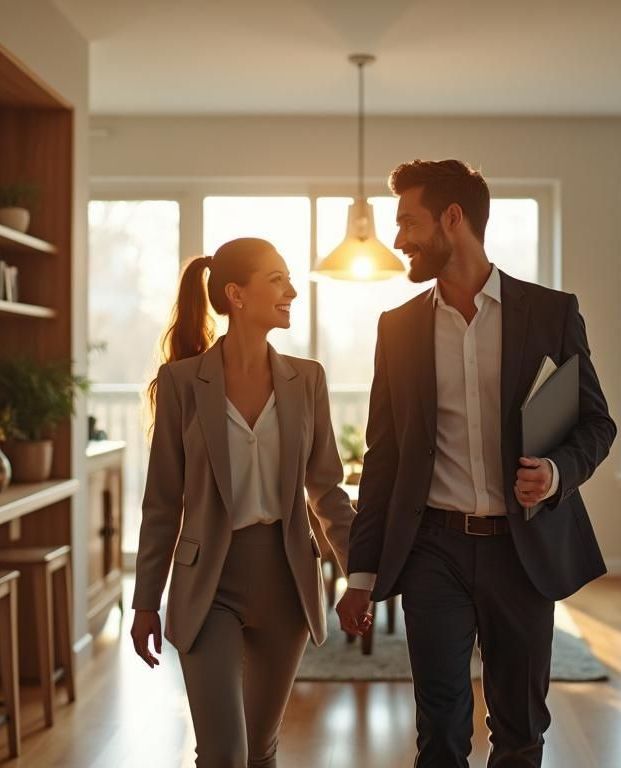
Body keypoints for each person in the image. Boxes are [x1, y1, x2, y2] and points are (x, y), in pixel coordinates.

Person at [336, 159, 617, 767]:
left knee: (519, 728)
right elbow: (383, 457)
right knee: (439, 726)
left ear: (453, 219)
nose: (399, 238)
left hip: (522, 551)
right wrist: (360, 574)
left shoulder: (550, 314)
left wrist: (557, 474)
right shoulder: (398, 329)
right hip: (432, 548)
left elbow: (598, 424)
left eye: (408, 221)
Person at [130, 237, 356, 768]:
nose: (291, 291)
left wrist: (361, 575)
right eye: (277, 279)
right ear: (236, 294)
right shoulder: (182, 382)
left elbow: (326, 489)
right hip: (209, 585)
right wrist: (145, 599)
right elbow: (162, 501)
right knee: (224, 753)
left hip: (285, 580)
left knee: (260, 750)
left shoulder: (308, 380)